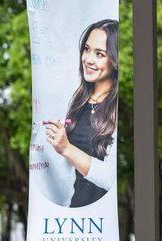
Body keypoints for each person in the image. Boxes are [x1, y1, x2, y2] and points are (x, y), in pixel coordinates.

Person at [43, 19, 119, 208]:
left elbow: (111, 178)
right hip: (77, 214)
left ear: (116, 60)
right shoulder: (78, 100)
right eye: (87, 49)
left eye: (99, 54)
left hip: (106, 221)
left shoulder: (119, 106)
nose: (88, 59)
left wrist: (67, 149)